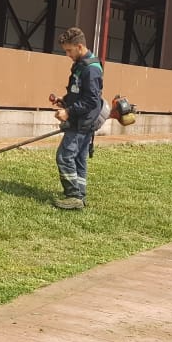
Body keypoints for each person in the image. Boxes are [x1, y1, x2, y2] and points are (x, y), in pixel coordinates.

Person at [51, 26, 104, 210]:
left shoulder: (91, 69)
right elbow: (78, 92)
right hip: (82, 120)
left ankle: (73, 196)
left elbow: (90, 100)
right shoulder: (81, 65)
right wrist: (64, 101)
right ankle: (79, 193)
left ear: (80, 47)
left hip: (82, 122)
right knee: (79, 158)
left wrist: (69, 112)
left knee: (65, 156)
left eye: (69, 50)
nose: (67, 54)